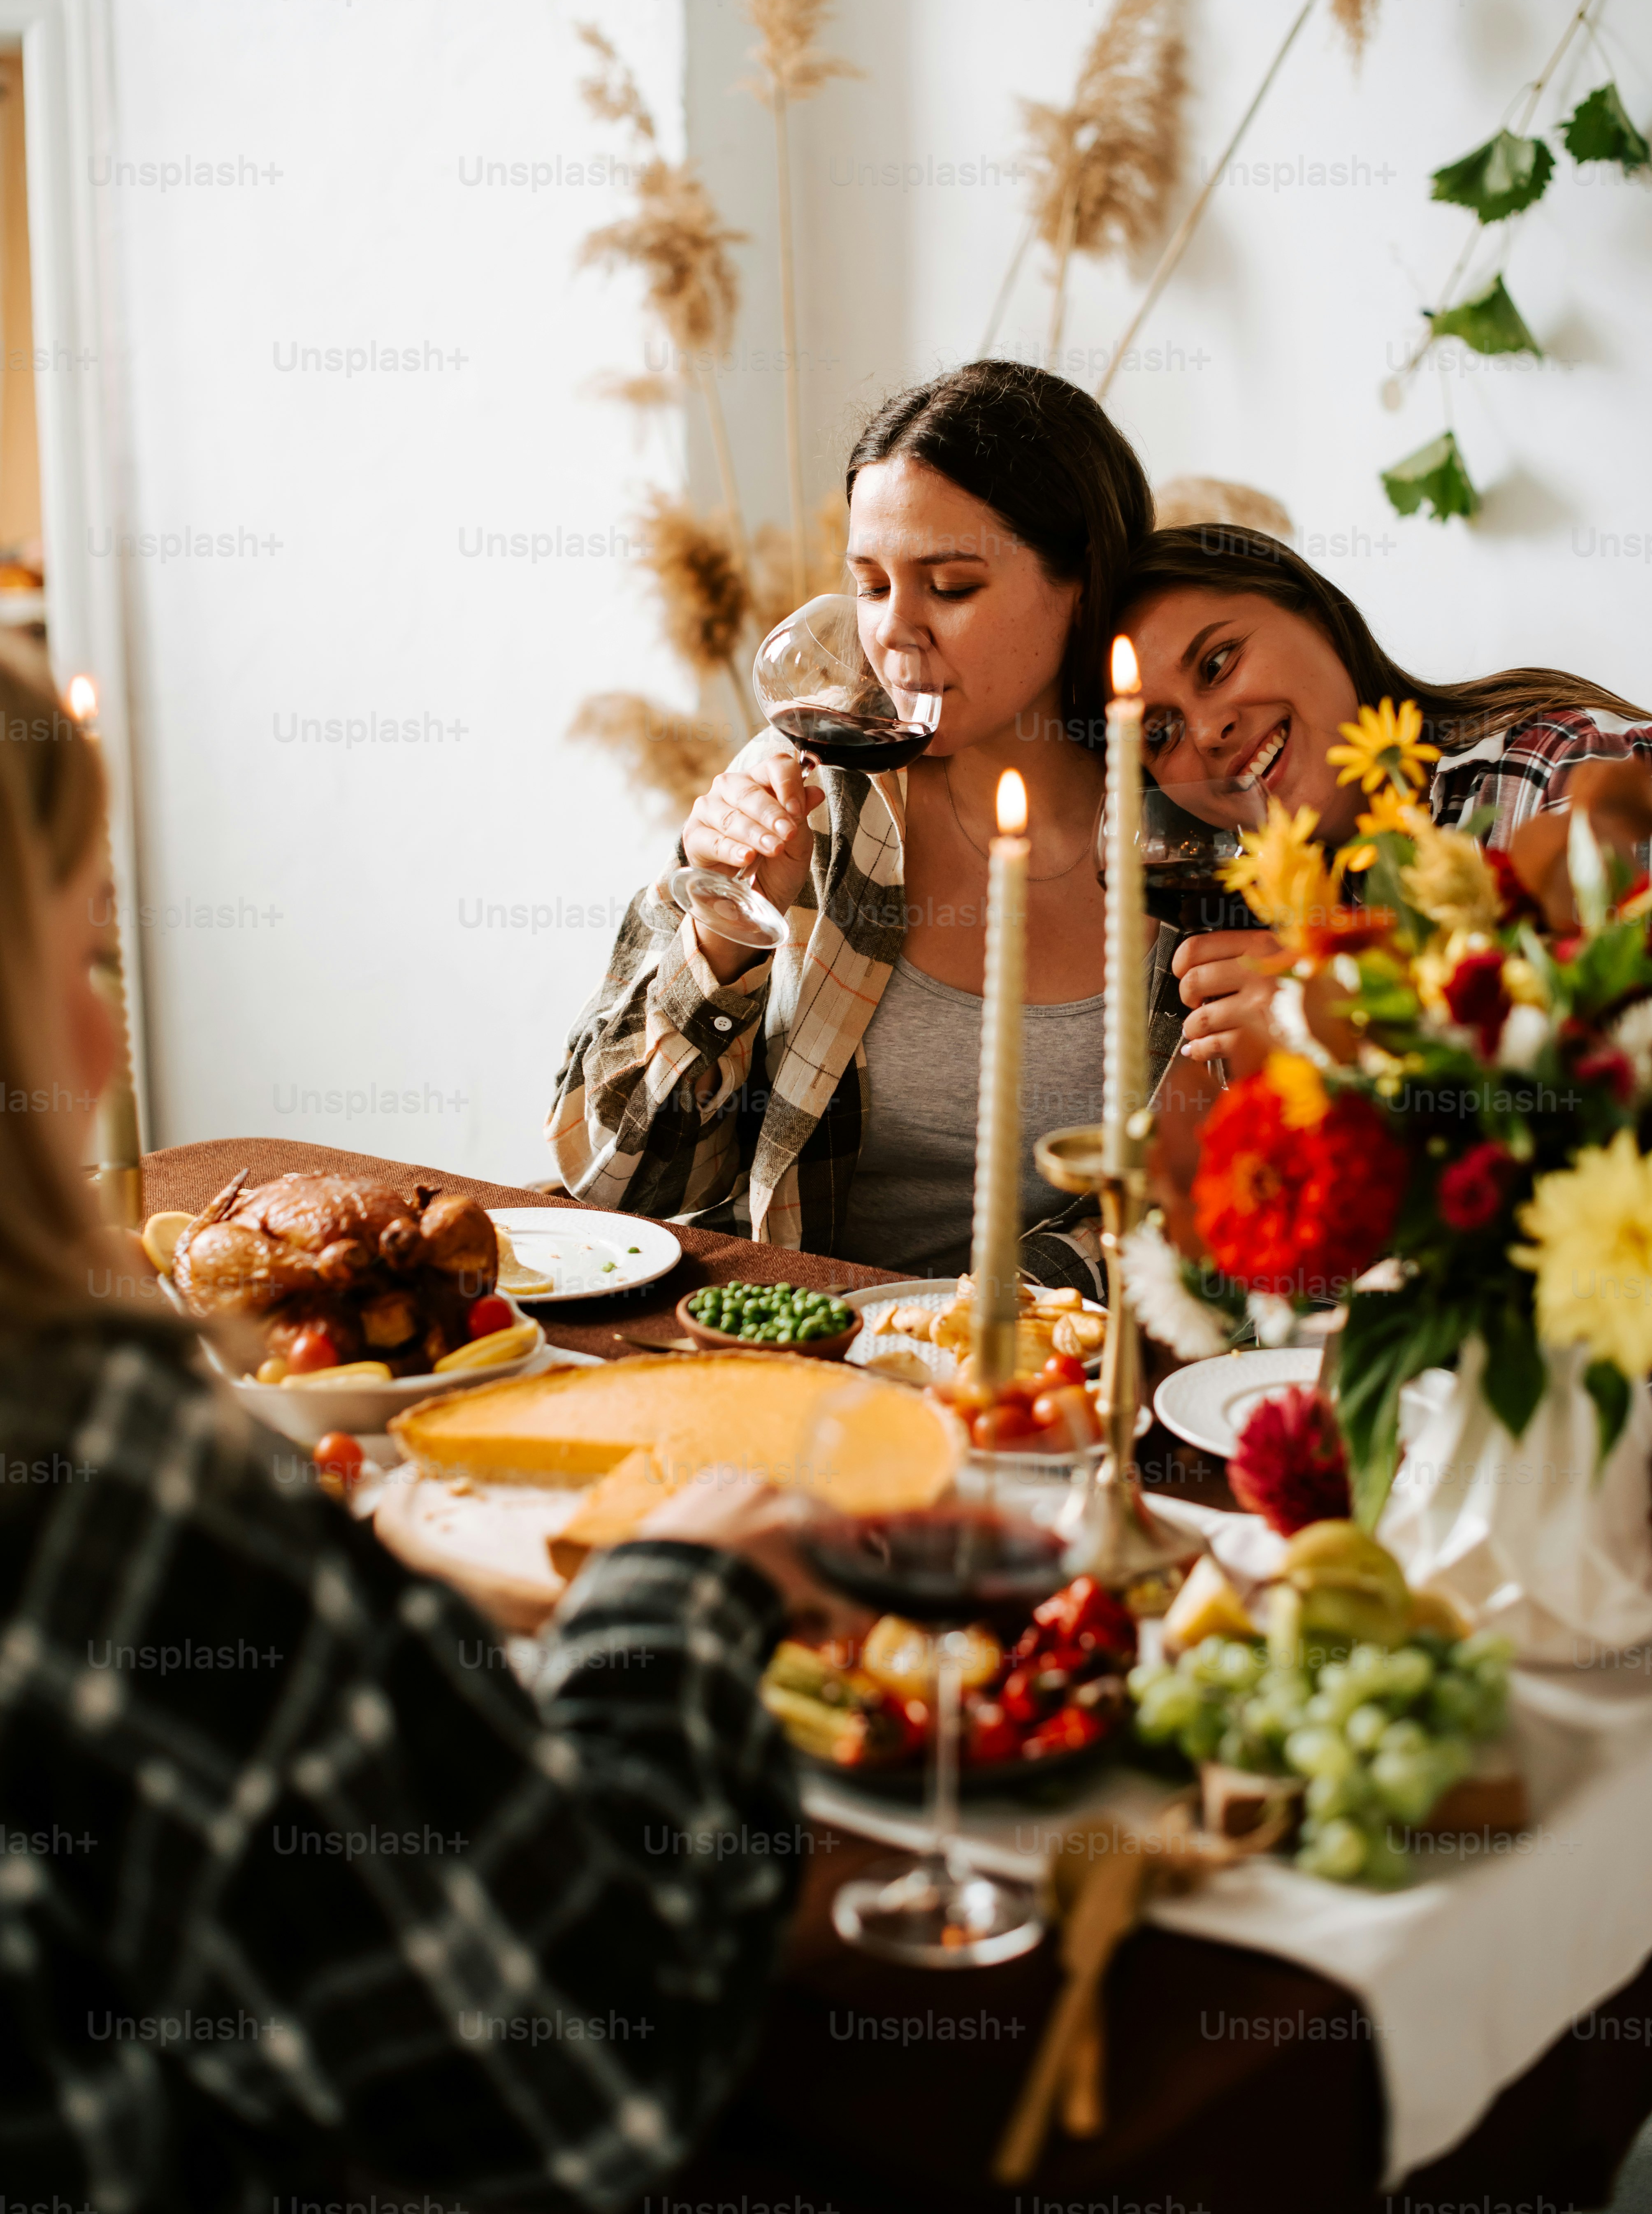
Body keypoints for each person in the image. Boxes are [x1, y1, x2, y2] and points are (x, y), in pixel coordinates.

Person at [0, 633, 826, 2209]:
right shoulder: (95, 1468)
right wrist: (673, 1607)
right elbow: (577, 2068)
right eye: (75, 959)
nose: (107, 1042)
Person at [549, 360, 1173, 1293]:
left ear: (1080, 581)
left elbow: (1184, 1218)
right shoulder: (811, 788)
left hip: (1051, 1378)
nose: (894, 633)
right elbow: (612, 1174)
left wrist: (955, 1324)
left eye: (952, 586)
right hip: (785, 1346)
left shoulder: (1198, 842)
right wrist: (720, 936)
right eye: (871, 585)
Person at [1116, 522, 1652, 1070]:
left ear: (1319, 616)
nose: (1208, 732)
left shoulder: (1560, 769)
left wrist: (1338, 1027)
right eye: (1160, 734)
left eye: (1217, 663)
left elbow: (1617, 1081)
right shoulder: (1240, 909)